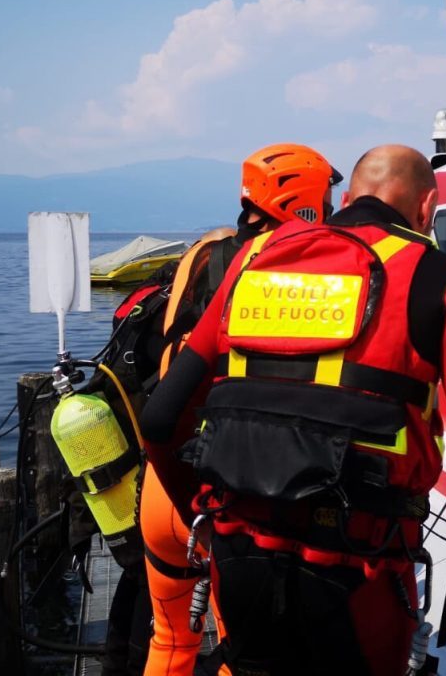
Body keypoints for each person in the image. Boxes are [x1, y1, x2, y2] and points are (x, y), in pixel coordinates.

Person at [140, 144, 446, 675]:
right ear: (427, 210)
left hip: (241, 558)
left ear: (347, 199)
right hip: (362, 569)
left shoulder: (252, 260)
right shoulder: (441, 277)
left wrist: (205, 515)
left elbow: (159, 419)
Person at [138, 143, 340, 676]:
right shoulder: (297, 269)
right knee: (241, 654)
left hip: (161, 484)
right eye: (329, 198)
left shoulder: (203, 252)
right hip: (228, 486)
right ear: (304, 202)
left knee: (171, 642)